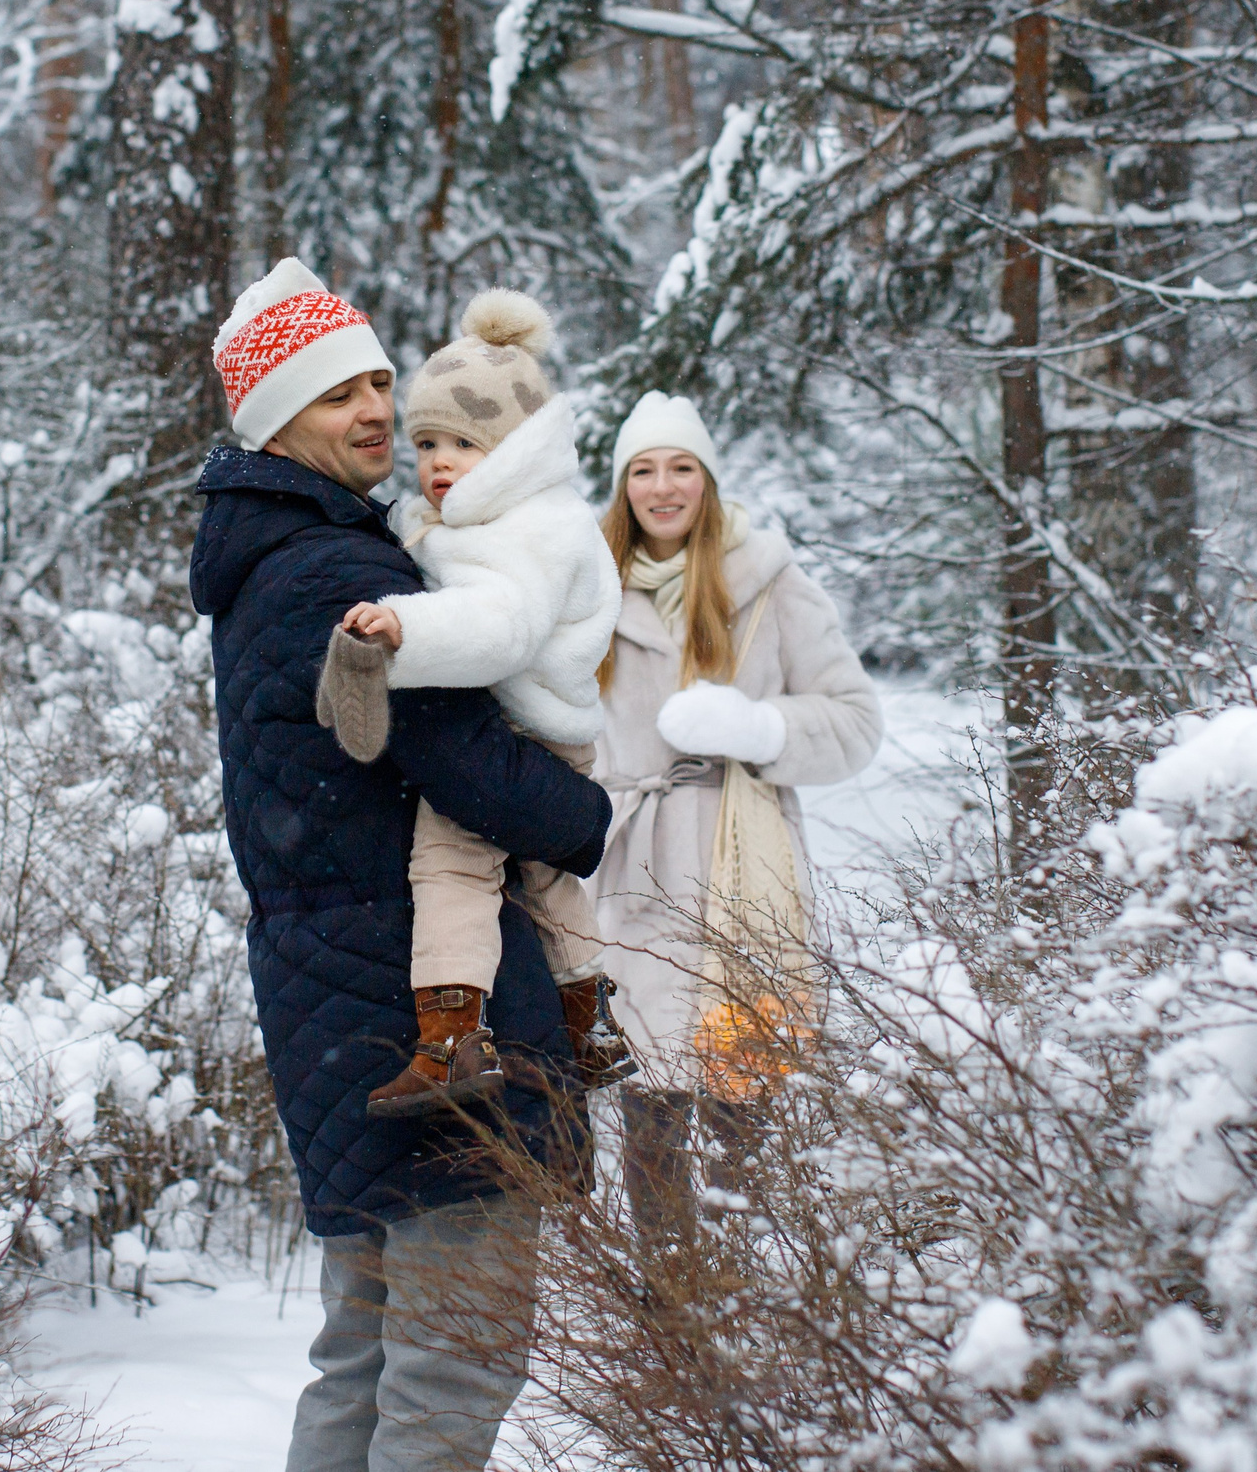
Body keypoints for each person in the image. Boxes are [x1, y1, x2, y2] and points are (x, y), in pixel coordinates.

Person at [189, 258, 612, 1472]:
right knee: (453, 1356)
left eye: (380, 380)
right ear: (273, 419)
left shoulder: (276, 561)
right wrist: (587, 813)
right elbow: (474, 769)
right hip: (420, 1014)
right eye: (337, 396)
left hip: (337, 1002)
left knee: (370, 1350)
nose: (374, 409)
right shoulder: (336, 574)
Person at [315, 287, 636, 1117]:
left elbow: (501, 627)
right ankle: (592, 1020)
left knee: (450, 862)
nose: (439, 462)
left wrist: (402, 631)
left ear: (514, 447)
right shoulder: (521, 510)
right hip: (550, 733)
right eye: (426, 442)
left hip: (519, 727)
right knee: (546, 877)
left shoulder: (530, 528)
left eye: (464, 441)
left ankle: (452, 1038)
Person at [589, 391, 883, 1238]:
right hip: (634, 869)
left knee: (740, 1113)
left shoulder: (770, 581)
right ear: (624, 487)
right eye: (643, 469)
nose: (663, 486)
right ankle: (672, 1322)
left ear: (708, 481)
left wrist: (759, 730)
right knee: (648, 1117)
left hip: (743, 877)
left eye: (681, 466)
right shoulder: (590, 590)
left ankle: (739, 1316)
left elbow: (857, 720)